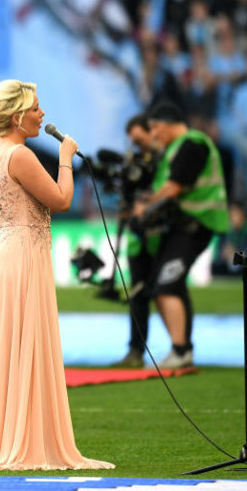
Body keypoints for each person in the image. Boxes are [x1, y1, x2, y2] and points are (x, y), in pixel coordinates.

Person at [0, 79, 113, 471]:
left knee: (8, 348)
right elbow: (61, 199)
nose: (42, 114)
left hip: (3, 253)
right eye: (36, 108)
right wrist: (66, 157)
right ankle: (27, 440)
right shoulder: (20, 155)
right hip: (23, 257)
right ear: (18, 115)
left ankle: (5, 437)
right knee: (27, 345)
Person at [135, 101, 228, 369]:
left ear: (164, 124)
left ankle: (180, 350)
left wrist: (147, 206)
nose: (153, 136)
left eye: (153, 129)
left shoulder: (192, 143)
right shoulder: (175, 149)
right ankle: (182, 348)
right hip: (181, 227)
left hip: (195, 224)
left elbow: (174, 187)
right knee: (162, 287)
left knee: (167, 285)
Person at [114, 114, 159, 368]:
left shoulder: (164, 159)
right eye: (133, 140)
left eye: (140, 139)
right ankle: (135, 350)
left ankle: (181, 346)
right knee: (138, 294)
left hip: (161, 235)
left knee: (167, 291)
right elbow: (125, 198)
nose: (136, 144)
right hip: (137, 236)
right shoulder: (131, 163)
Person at [210, 203, 247, 277]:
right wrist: (225, 255)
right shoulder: (224, 237)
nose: (233, 218)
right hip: (226, 272)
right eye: (231, 215)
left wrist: (233, 256)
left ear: (243, 217)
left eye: (236, 215)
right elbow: (219, 258)